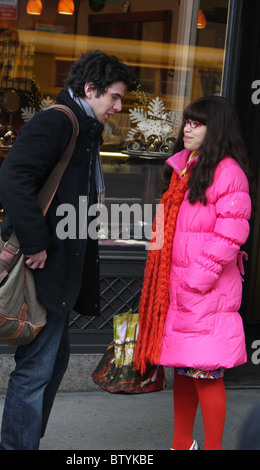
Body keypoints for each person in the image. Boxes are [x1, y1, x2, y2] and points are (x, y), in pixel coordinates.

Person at [0, 50, 134, 450]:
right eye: (114, 97)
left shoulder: (85, 130)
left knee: (50, 366)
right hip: (45, 269)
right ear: (90, 89)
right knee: (37, 369)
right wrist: (37, 242)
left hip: (60, 271)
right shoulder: (58, 122)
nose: (118, 107)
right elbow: (13, 177)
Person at [134, 95, 254, 450]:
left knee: (206, 371)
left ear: (216, 129)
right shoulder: (184, 170)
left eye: (197, 122)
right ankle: (181, 443)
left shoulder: (228, 172)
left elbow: (231, 231)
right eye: (187, 120)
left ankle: (213, 447)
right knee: (184, 367)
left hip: (206, 290)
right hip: (179, 286)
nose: (188, 127)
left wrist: (198, 277)